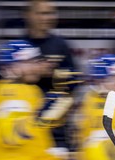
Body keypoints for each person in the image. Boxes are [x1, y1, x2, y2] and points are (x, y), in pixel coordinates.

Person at [0, 40, 82, 160]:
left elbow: (42, 125)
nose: (36, 66)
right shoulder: (7, 92)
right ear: (8, 68)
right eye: (28, 62)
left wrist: (65, 98)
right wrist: (39, 116)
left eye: (35, 61)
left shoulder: (29, 89)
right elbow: (10, 136)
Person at [22, 0, 77, 148]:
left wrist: (55, 73)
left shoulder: (60, 45)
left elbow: (74, 81)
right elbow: (6, 83)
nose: (48, 17)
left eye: (51, 13)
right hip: (26, 123)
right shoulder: (19, 46)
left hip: (55, 125)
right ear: (29, 15)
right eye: (42, 13)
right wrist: (34, 72)